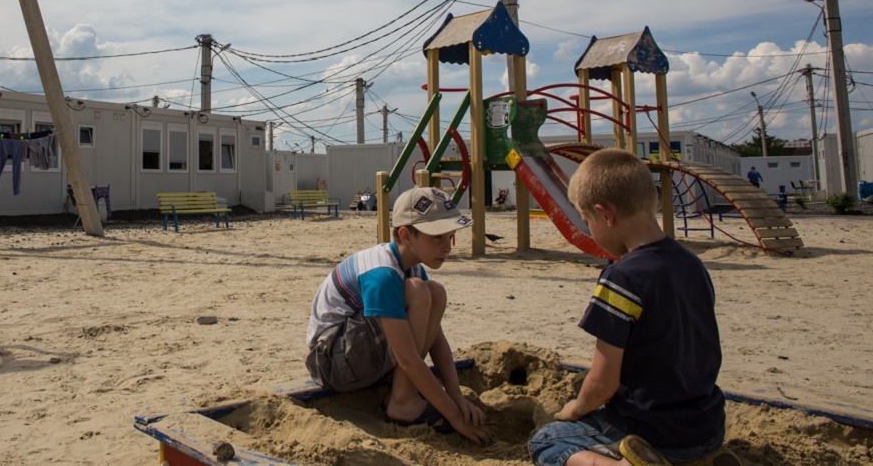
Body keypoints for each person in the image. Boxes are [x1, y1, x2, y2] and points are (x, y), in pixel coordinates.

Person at [528, 149, 738, 466]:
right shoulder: (691, 264)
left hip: (652, 429)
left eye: (587, 221)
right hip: (706, 427)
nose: (589, 230)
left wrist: (574, 409)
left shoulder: (622, 278)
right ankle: (701, 459)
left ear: (606, 215)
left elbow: (602, 386)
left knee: (547, 441)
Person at [305, 187, 489, 444]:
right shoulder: (382, 273)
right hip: (331, 364)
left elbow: (436, 338)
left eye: (451, 236)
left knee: (434, 291)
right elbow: (408, 359)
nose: (447, 247)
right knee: (419, 292)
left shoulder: (412, 267)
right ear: (406, 235)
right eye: (438, 237)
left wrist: (455, 396)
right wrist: (455, 416)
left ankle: (403, 395)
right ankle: (403, 401)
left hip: (354, 356)